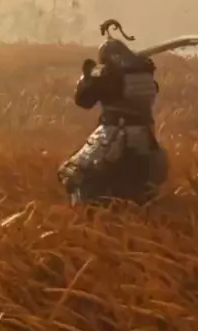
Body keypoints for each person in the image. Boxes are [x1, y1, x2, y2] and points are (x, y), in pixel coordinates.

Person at [57, 20, 168, 206]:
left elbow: (83, 100)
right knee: (141, 184)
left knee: (73, 173)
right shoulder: (144, 74)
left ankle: (85, 214)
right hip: (145, 139)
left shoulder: (108, 76)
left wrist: (89, 76)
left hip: (112, 136)